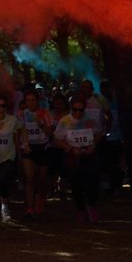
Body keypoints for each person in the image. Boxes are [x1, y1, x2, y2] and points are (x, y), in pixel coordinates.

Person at [54, 95, 103, 223]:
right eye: (75, 109)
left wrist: (93, 144)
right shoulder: (65, 121)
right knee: (76, 182)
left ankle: (91, 205)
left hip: (89, 153)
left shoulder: (91, 120)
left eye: (80, 110)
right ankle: (81, 209)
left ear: (84, 109)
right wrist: (69, 148)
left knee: (93, 179)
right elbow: (57, 139)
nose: (77, 112)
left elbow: (98, 133)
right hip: (72, 154)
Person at [19, 89, 54, 219]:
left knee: (42, 179)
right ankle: (29, 207)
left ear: (37, 101)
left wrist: (40, 123)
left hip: (42, 147)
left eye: (33, 100)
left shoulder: (45, 113)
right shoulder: (21, 114)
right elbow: (20, 131)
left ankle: (40, 199)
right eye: (28, 100)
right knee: (29, 177)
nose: (30, 103)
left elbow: (50, 133)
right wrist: (24, 145)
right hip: (28, 148)